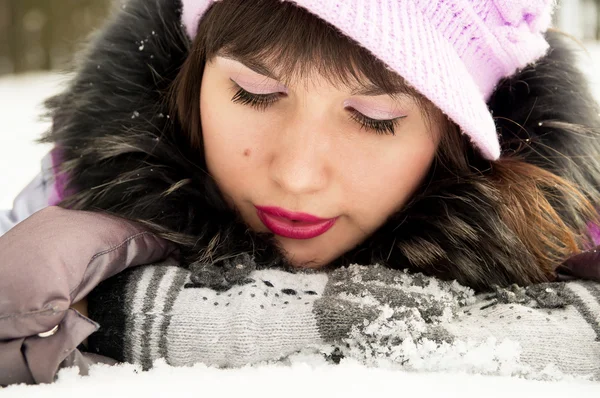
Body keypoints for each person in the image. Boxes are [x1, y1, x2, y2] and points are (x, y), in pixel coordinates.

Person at [2, 0, 600, 384]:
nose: (296, 175)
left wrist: (128, 314)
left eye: (373, 118)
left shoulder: (573, 228)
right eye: (254, 94)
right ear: (193, 76)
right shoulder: (69, 194)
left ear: (460, 135)